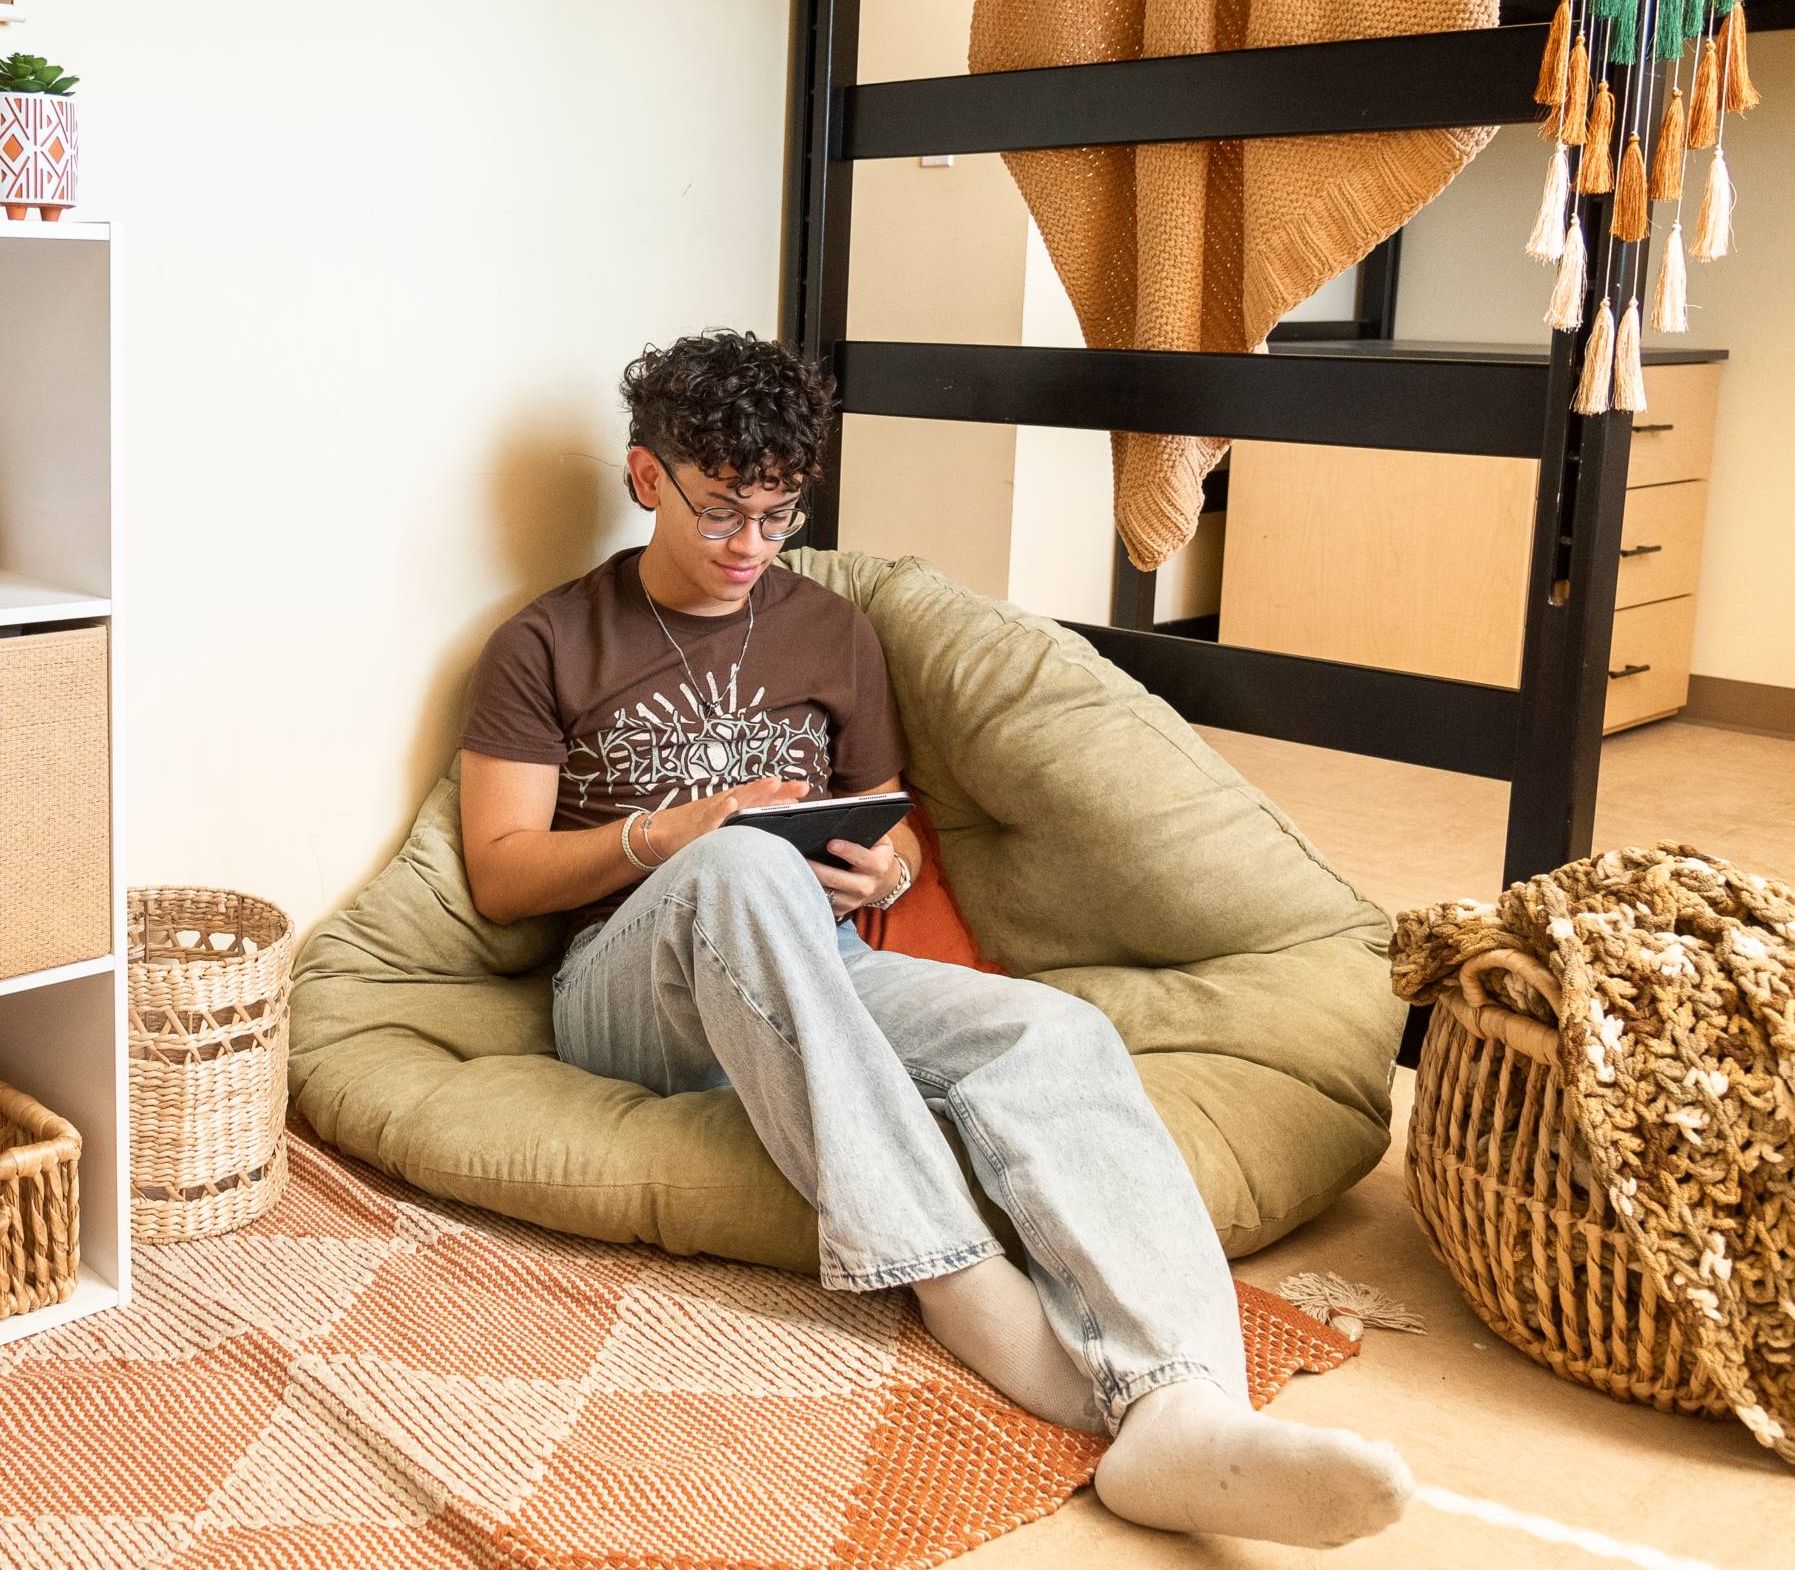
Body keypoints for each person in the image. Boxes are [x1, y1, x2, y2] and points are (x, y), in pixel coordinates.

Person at [456, 329, 1413, 1549]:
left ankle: (1185, 1410)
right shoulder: (546, 642)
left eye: (778, 513)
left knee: (1051, 1031)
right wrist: (680, 833)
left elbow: (893, 823)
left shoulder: (831, 630)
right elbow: (498, 875)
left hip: (820, 963)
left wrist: (883, 865)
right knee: (742, 861)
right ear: (648, 478)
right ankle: (961, 1287)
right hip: (628, 991)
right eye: (720, 512)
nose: (752, 545)